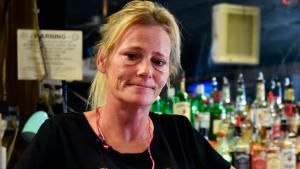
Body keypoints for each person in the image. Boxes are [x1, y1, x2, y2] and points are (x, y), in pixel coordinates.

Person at [15, 1, 235, 169]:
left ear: (168, 73)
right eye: (131, 55)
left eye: (158, 61)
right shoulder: (60, 135)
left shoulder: (179, 133)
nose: (145, 71)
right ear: (102, 60)